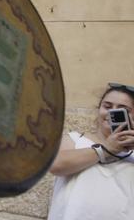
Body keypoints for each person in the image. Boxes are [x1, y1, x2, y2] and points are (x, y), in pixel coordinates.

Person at [47, 83, 134, 219]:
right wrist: (106, 148)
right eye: (107, 106)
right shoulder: (75, 139)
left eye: (123, 109)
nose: (112, 112)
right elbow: (55, 165)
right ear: (99, 109)